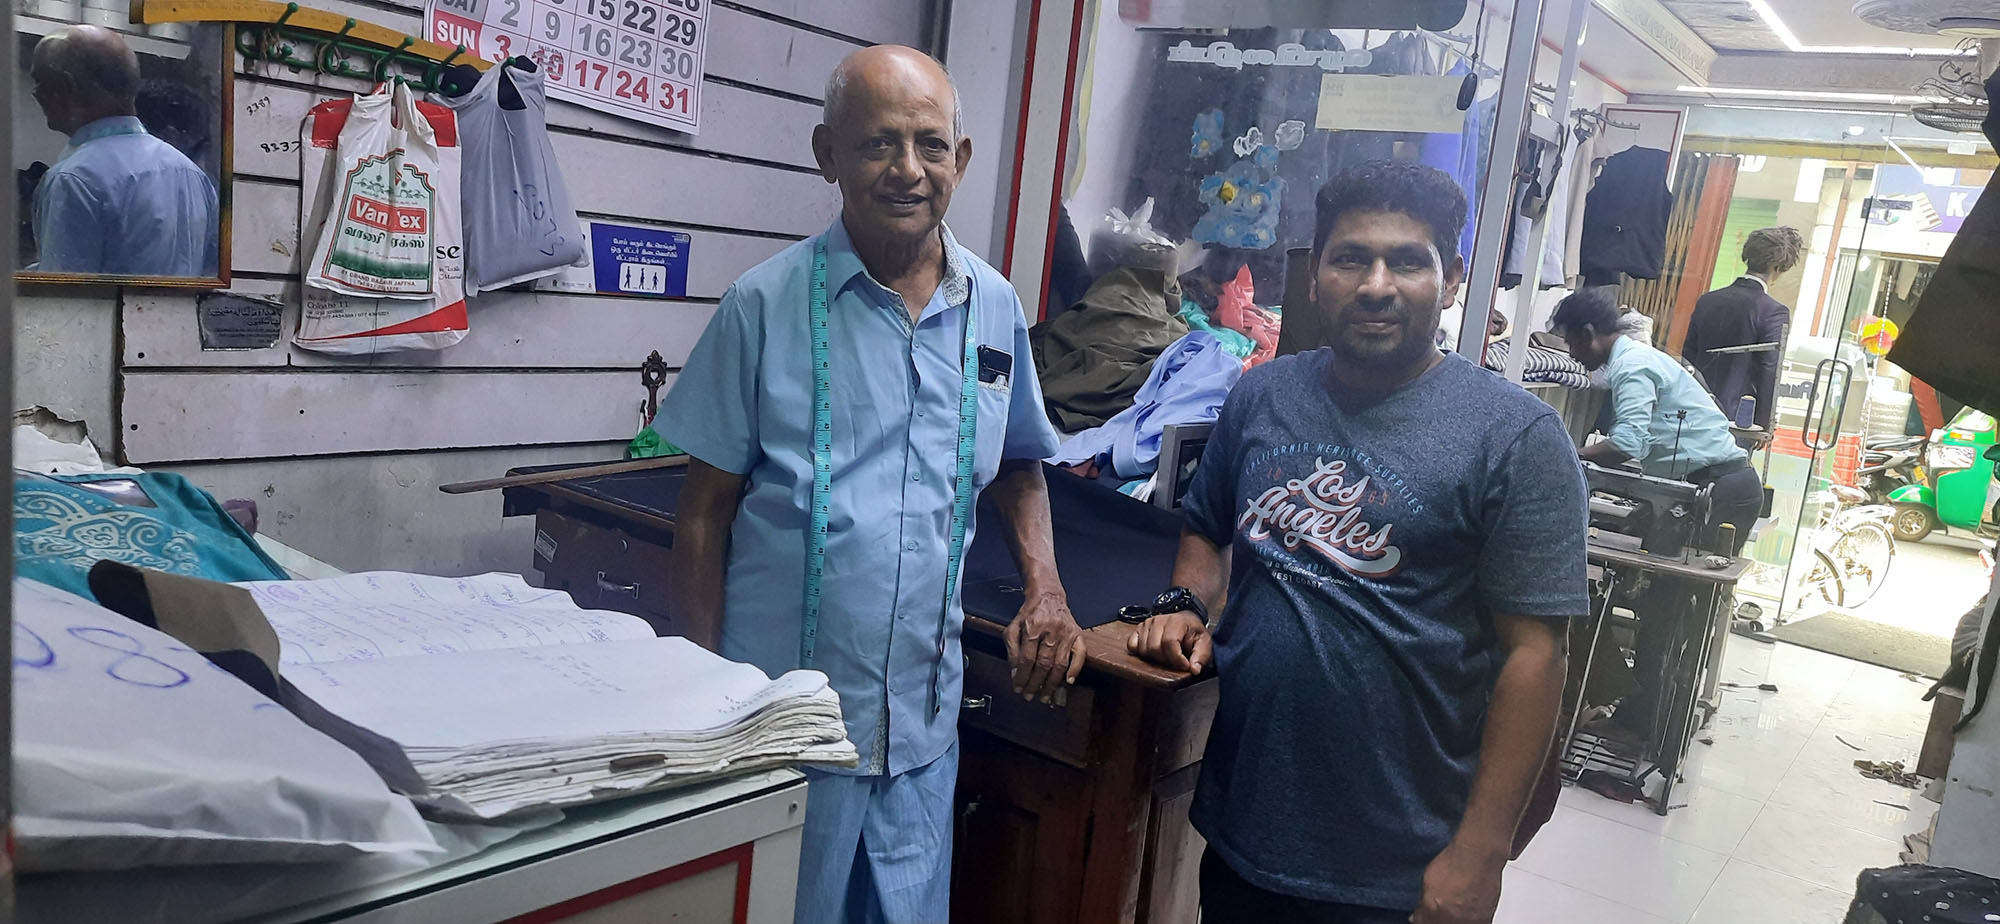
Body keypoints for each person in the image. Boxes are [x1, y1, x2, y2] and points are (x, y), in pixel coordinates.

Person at [656, 45, 1083, 924]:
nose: (907, 170)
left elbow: (1021, 467)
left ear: (962, 162)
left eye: (931, 145)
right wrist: (706, 704)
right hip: (781, 729)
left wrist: (1046, 589)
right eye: (878, 144)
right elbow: (702, 515)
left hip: (923, 737)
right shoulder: (762, 306)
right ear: (828, 157)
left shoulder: (995, 308)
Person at [1128, 160, 1588, 924]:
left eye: (1407, 260)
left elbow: (1536, 657)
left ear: (1451, 281)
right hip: (1245, 827)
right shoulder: (1263, 394)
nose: (1376, 284)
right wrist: (1185, 602)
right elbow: (1208, 528)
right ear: (1316, 278)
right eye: (1350, 258)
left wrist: (1479, 854)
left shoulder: (1516, 439)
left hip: (1398, 868)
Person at [1553, 285, 1761, 739]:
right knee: (1663, 608)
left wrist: (1571, 454)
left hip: (1720, 491)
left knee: (1673, 611)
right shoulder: (1638, 361)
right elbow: (1661, 448)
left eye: (1571, 343)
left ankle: (1651, 726)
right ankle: (1648, 718)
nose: (1572, 353)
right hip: (1708, 485)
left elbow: (1630, 443)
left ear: (1589, 334)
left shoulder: (1633, 366)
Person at [27, 25, 218, 276]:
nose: (35, 93)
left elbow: (65, 299)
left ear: (66, 86)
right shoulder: (191, 173)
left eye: (40, 82)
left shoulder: (74, 179)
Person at [1682, 226, 1806, 442]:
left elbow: (1688, 357)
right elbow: (1770, 371)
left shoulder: (1707, 300)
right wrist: (1763, 426)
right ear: (1777, 266)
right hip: (1738, 421)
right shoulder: (1774, 311)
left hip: (1692, 409)